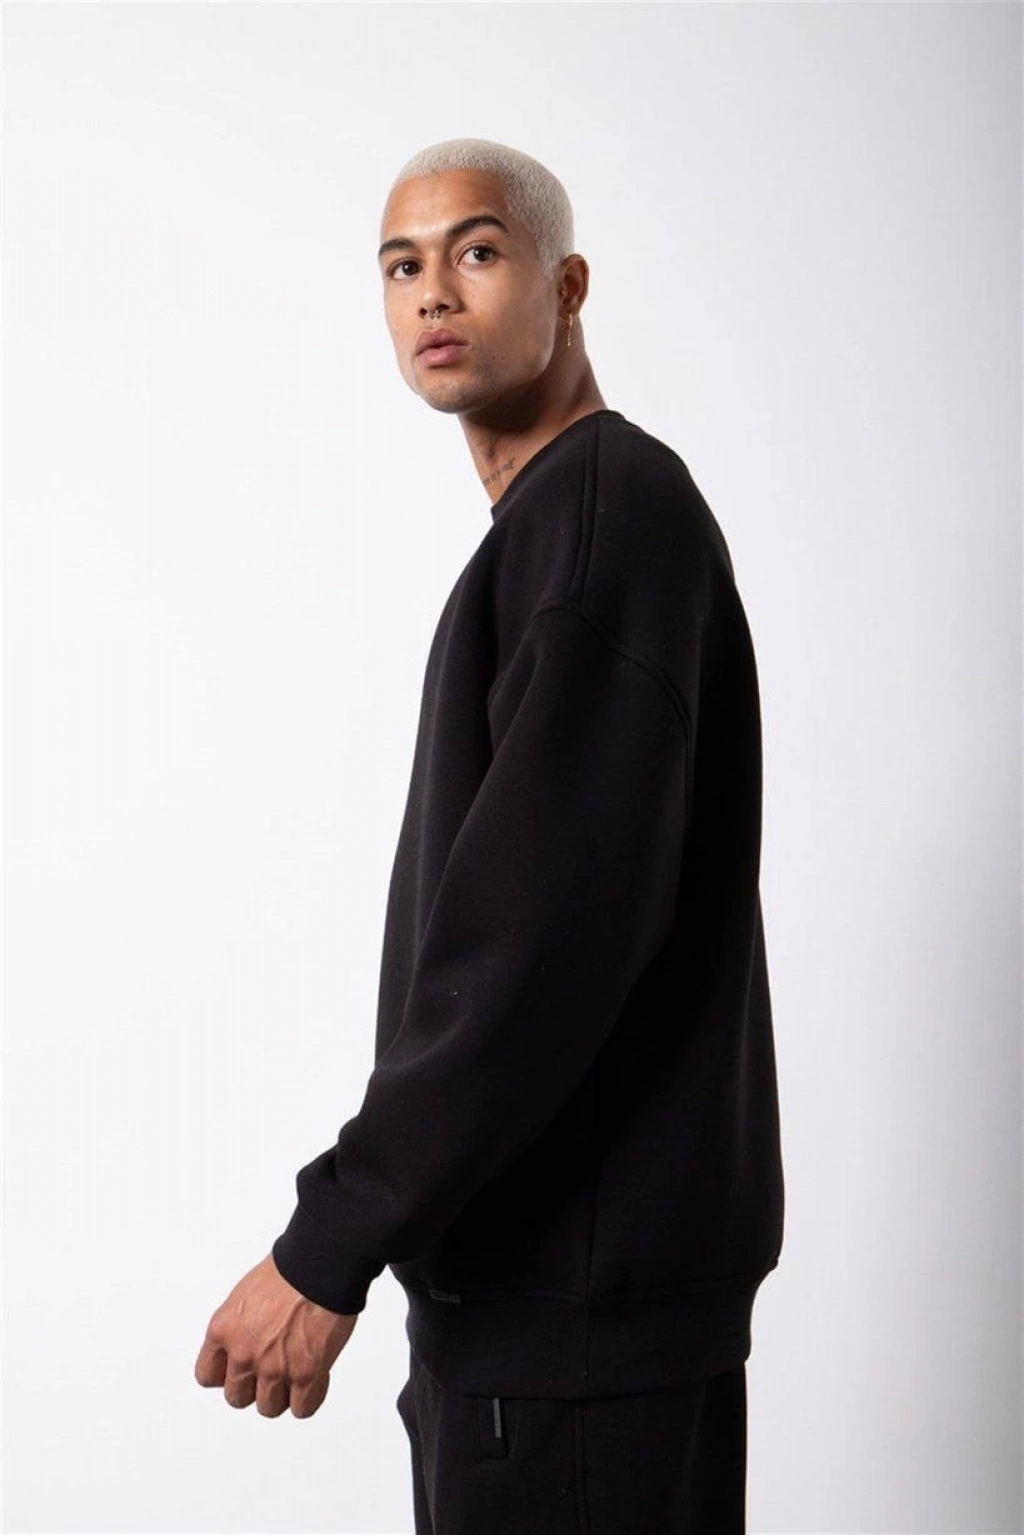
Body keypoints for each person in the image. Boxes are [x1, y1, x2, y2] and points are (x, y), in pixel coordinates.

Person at [194, 135, 785, 1534]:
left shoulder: (599, 519)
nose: (433, 293)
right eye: (401, 265)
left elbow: (538, 944)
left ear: (566, 286)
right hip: (561, 1321)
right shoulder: (562, 530)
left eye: (476, 250)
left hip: (569, 1340)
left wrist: (331, 1239)